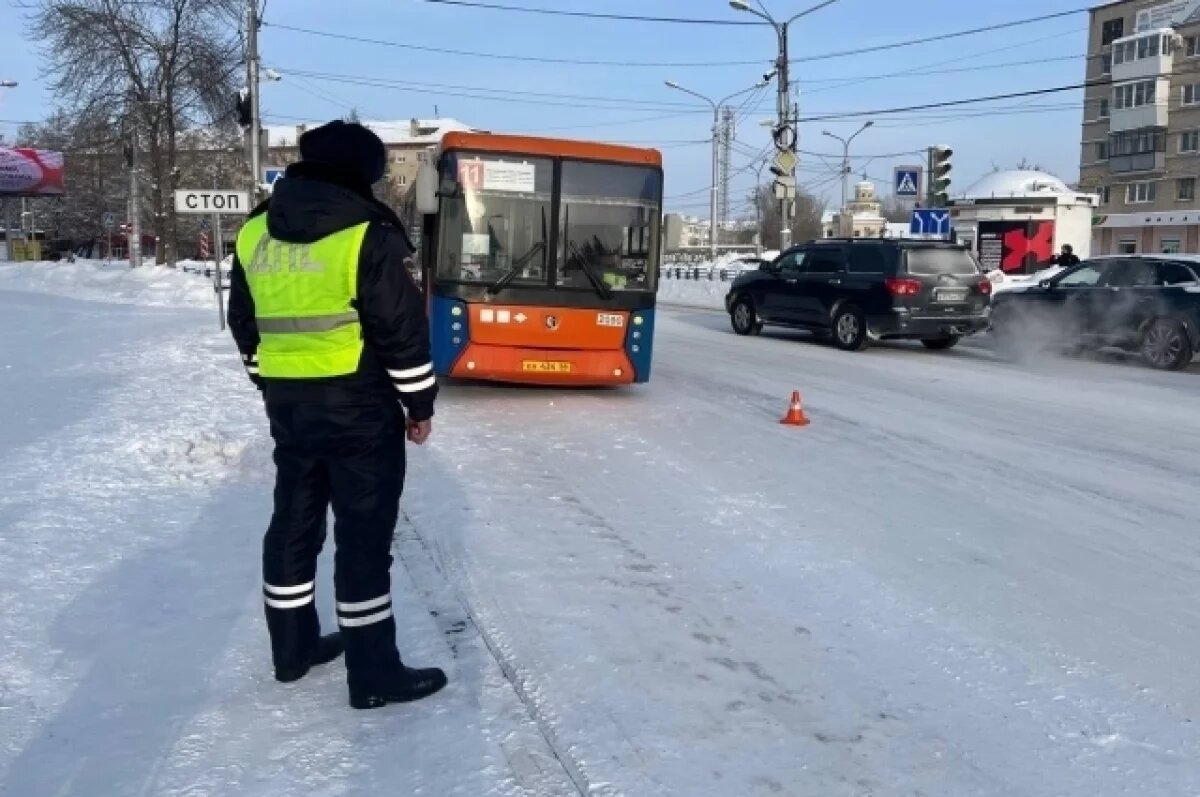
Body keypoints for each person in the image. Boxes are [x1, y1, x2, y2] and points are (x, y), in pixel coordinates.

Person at [227, 120, 447, 710]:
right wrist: (418, 404)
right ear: (362, 173)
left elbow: (244, 322)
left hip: (289, 408)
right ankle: (373, 675)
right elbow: (401, 331)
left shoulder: (255, 231)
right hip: (359, 411)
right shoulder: (367, 233)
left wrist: (270, 379)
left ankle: (293, 649)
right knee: (362, 539)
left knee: (293, 524)